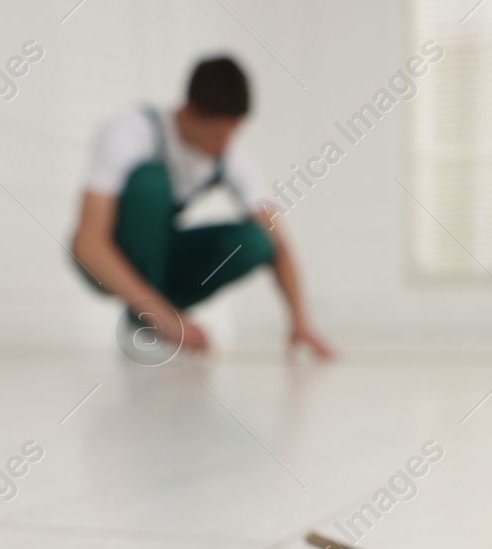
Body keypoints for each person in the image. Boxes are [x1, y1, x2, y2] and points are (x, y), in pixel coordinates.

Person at [71, 56, 333, 359]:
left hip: (161, 256)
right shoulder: (130, 134)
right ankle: (146, 322)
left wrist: (299, 323)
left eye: (231, 134)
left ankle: (158, 316)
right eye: (215, 135)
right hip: (104, 259)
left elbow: (277, 243)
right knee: (151, 184)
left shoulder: (231, 156)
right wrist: (163, 318)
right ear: (186, 113)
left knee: (256, 242)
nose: (223, 146)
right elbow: (87, 244)